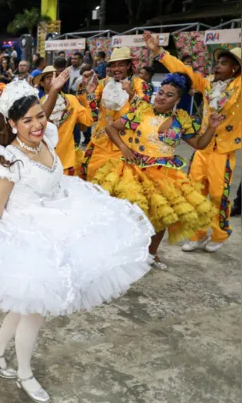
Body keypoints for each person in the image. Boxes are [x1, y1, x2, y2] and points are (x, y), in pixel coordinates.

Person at [0, 80, 154, 403]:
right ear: (12, 124)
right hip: (25, 238)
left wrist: (52, 91)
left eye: (40, 116)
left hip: (56, 224)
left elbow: (50, 159)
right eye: (27, 120)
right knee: (33, 308)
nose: (37, 124)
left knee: (23, 303)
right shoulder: (7, 160)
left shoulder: (46, 139)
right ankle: (24, 373)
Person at [96, 72, 221, 269]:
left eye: (169, 95)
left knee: (160, 218)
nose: (161, 97)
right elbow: (112, 128)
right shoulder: (142, 111)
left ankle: (151, 254)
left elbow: (199, 144)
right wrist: (124, 147)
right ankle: (124, 253)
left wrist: (212, 128)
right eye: (160, 92)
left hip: (165, 174)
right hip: (134, 171)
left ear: (178, 100)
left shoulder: (182, 119)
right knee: (131, 215)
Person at [143, 32, 241, 253]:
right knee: (195, 191)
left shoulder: (240, 87)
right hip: (203, 147)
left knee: (218, 194)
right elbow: (185, 71)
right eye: (217, 63)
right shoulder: (207, 84)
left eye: (224, 64)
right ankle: (197, 234)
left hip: (224, 151)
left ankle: (219, 233)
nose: (217, 67)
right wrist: (159, 52)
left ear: (235, 69)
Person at [77, 47, 150, 181]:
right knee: (92, 177)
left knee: (121, 183)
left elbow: (145, 113)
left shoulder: (139, 85)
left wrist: (131, 94)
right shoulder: (103, 83)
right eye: (113, 65)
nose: (116, 69)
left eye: (121, 64)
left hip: (126, 144)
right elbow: (92, 113)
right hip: (100, 142)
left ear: (128, 65)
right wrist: (88, 91)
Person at [36, 66, 92, 175]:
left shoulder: (71, 100)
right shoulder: (37, 104)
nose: (53, 79)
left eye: (56, 76)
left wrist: (88, 93)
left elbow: (88, 121)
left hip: (68, 160)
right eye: (48, 77)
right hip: (45, 162)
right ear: (41, 83)